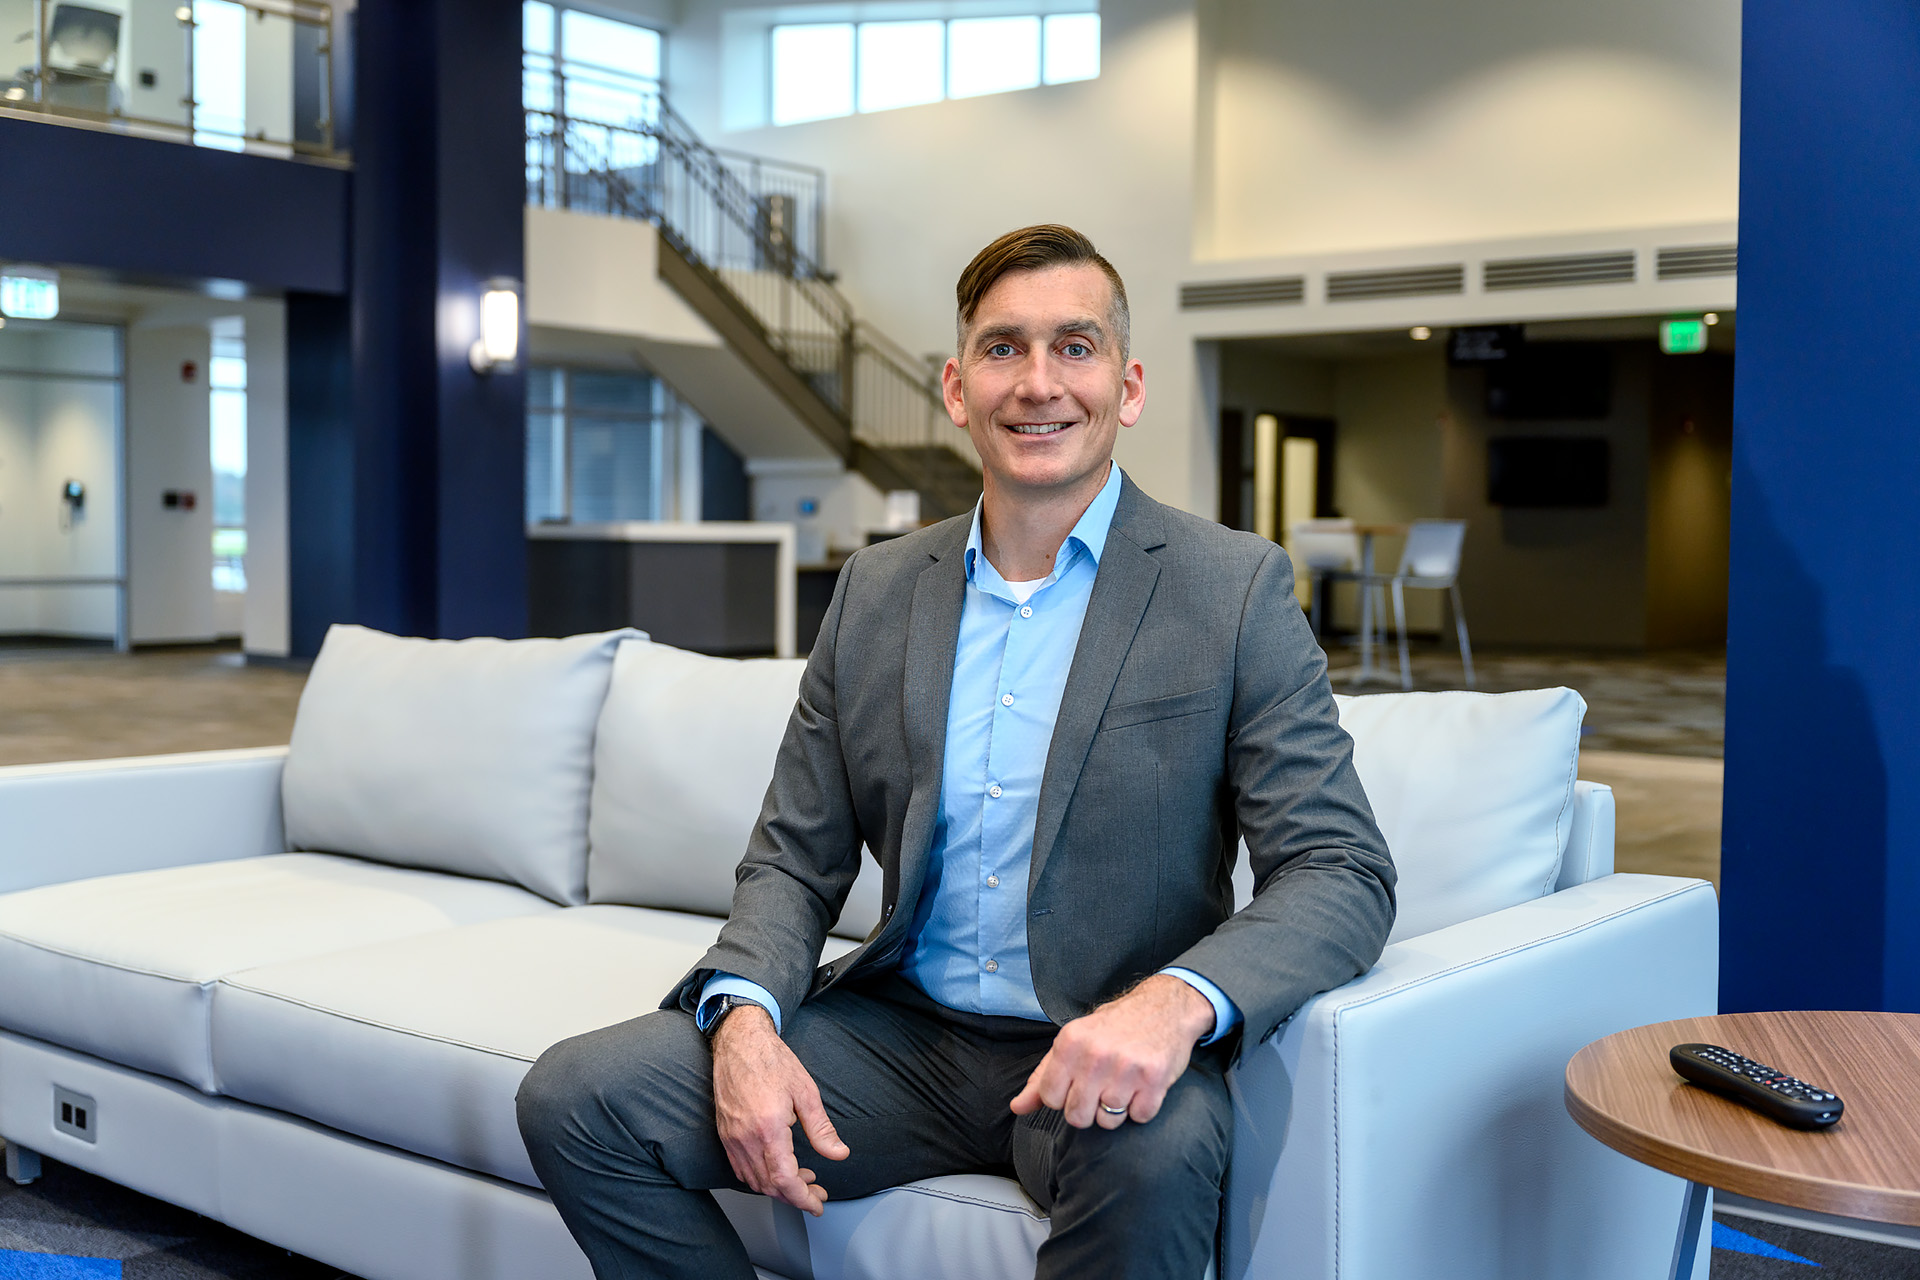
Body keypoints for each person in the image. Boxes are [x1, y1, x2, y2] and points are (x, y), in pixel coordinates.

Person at [517, 224, 1397, 1280]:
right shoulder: (878, 589)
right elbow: (795, 857)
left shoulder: (1232, 588)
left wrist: (1172, 1005)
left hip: (1099, 1042)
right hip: (897, 1037)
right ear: (955, 385)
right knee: (577, 1096)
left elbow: (1341, 869)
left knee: (1161, 1156)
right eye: (1003, 348)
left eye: (1075, 346)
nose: (1038, 384)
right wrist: (745, 1016)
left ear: (1128, 385)